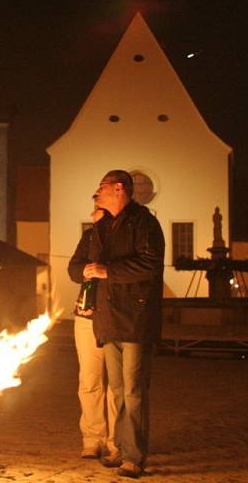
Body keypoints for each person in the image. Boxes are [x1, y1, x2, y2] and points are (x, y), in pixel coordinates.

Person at [86, 170, 164, 479]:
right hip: (109, 318)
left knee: (133, 390)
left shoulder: (144, 222)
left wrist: (108, 271)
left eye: (102, 187)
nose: (98, 192)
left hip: (135, 319)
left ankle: (134, 456)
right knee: (116, 389)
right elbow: (87, 260)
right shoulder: (103, 225)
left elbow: (149, 264)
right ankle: (117, 447)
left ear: (119, 188)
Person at [68, 206, 118, 461]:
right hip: (86, 313)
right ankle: (92, 438)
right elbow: (73, 267)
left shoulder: (122, 236)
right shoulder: (89, 237)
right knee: (89, 380)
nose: (91, 212)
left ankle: (115, 441)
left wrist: (104, 269)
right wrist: (83, 271)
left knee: (116, 384)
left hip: (112, 315)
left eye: (97, 207)